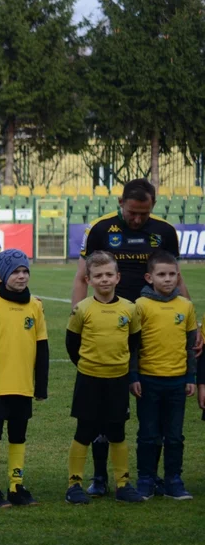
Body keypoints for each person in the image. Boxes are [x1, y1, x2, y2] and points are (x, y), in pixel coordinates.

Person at [71, 178, 186, 497]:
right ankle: (99, 478)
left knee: (153, 408)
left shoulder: (164, 232)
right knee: (102, 412)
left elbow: (177, 278)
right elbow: (81, 277)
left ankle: (154, 476)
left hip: (153, 332)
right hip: (111, 332)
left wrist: (192, 323)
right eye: (133, 213)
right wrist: (79, 319)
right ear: (121, 203)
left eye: (144, 213)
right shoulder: (100, 230)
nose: (138, 219)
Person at [65, 251, 145, 504]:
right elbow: (72, 344)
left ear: (118, 277)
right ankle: (74, 484)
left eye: (109, 274)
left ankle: (123, 483)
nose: (104, 280)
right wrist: (89, 365)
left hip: (118, 380)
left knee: (117, 431)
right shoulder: (82, 309)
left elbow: (134, 343)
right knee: (84, 430)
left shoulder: (130, 309)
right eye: (98, 276)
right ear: (88, 280)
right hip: (89, 379)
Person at [0, 250, 48, 509]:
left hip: (23, 385)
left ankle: (16, 486)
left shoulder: (35, 306)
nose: (21, 276)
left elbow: (42, 348)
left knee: (18, 436)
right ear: (4, 276)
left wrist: (41, 385)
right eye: (16, 272)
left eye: (25, 271)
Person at [131, 251, 196, 500]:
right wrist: (133, 376)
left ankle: (173, 480)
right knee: (148, 434)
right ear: (150, 277)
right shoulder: (141, 305)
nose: (167, 279)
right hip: (148, 380)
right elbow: (134, 345)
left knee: (175, 435)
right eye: (161, 275)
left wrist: (190, 377)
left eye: (172, 275)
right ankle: (146, 480)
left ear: (178, 277)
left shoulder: (186, 306)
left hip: (178, 381)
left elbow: (190, 346)